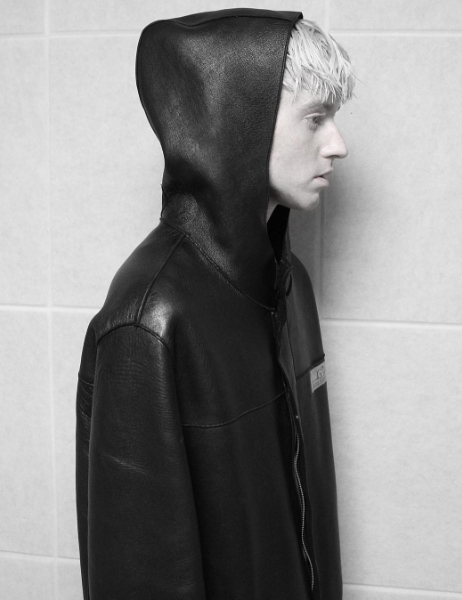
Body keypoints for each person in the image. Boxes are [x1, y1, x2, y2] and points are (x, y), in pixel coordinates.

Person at [75, 8, 355, 600]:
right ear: (237, 122)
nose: (338, 145)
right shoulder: (149, 321)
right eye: (315, 118)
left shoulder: (290, 285)